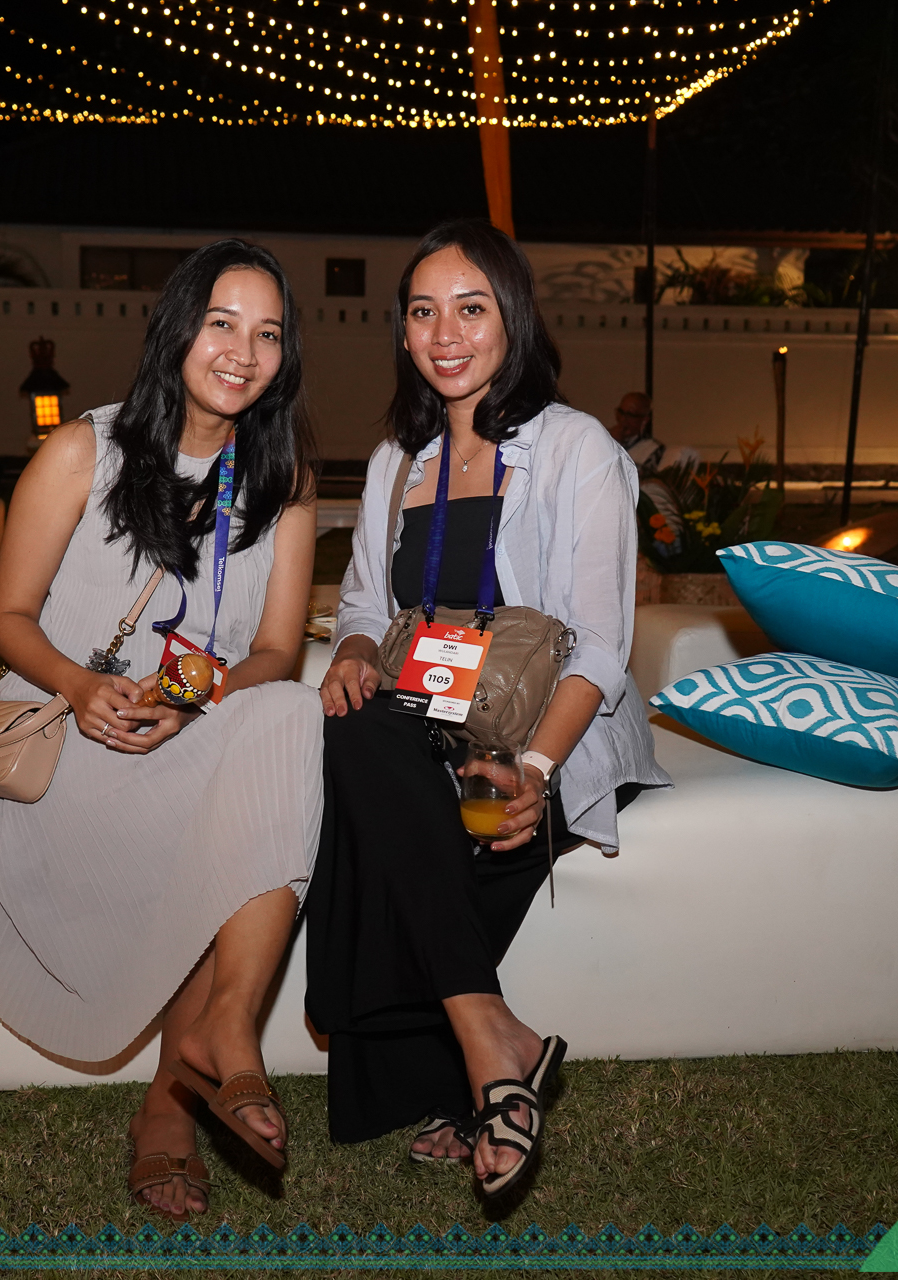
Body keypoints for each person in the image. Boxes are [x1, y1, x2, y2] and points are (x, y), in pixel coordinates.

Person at [309, 220, 669, 1198]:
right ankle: (492, 1035)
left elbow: (600, 644)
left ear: (513, 317)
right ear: (402, 331)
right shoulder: (397, 459)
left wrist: (535, 769)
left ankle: (445, 1067)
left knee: (384, 791)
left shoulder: (575, 449)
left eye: (471, 308)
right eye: (423, 312)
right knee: (358, 732)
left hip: (547, 727)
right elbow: (362, 607)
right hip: (420, 724)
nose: (445, 333)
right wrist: (352, 652)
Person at [0, 240, 320, 1224]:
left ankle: (215, 1043)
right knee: (234, 796)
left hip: (188, 727)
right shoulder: (84, 451)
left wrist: (192, 706)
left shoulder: (283, 480)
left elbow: (279, 649)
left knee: (287, 713)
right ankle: (178, 1088)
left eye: (267, 334)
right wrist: (83, 686)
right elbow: (7, 615)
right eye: (221, 324)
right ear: (175, 330)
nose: (243, 352)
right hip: (71, 733)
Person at [612, 390, 662, 469]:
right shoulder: (606, 438)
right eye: (621, 412)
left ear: (644, 420)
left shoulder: (653, 449)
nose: (622, 419)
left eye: (630, 415)